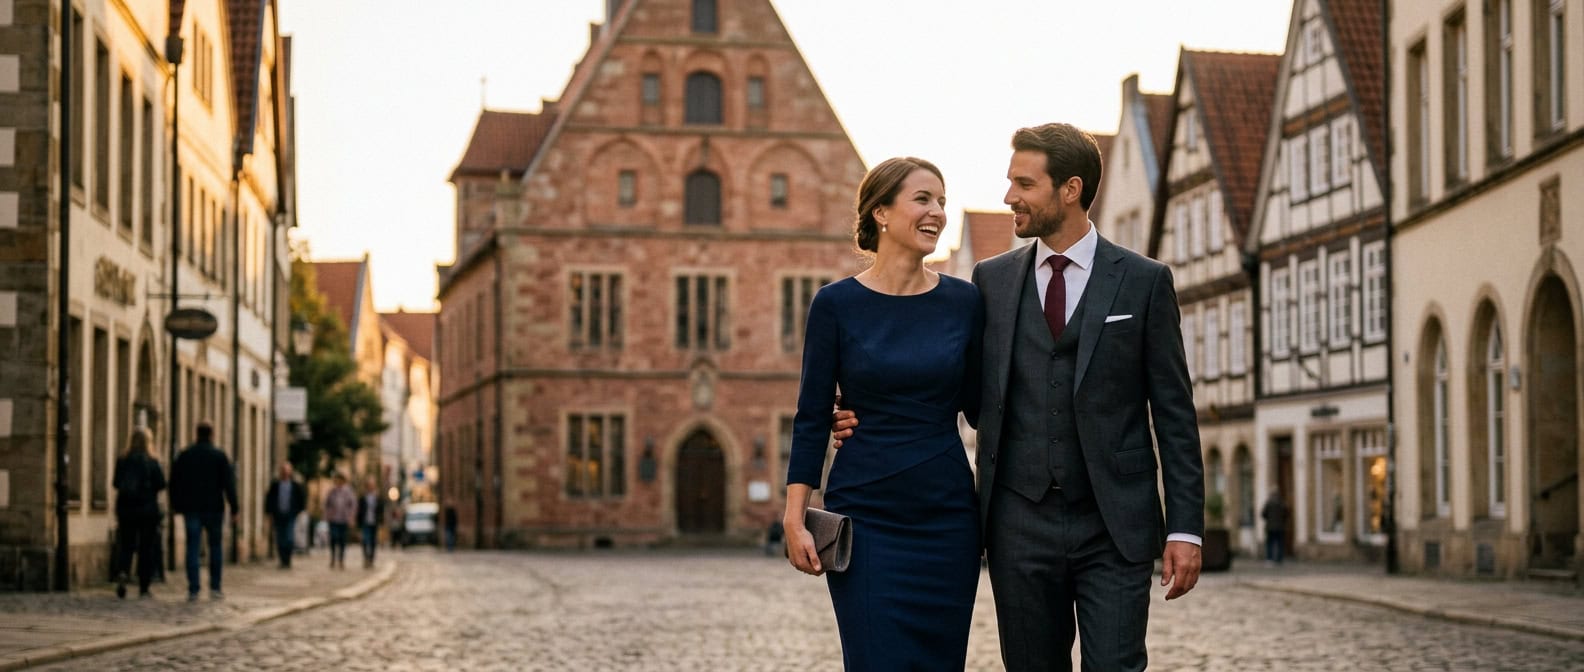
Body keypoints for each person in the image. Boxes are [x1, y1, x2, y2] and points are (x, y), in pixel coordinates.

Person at [833, 124, 1204, 672]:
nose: (1009, 197)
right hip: (1017, 526)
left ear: (1070, 189)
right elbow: (958, 388)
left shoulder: (1144, 282)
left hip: (1114, 524)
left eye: (1024, 184)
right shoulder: (991, 281)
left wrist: (1185, 528)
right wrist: (870, 410)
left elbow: (1175, 414)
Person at [783, 157, 983, 671]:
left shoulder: (965, 303)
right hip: (866, 517)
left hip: (947, 519)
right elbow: (809, 416)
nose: (937, 211)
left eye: (941, 199)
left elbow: (987, 407)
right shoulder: (835, 304)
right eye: (922, 199)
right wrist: (793, 516)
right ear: (881, 213)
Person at [169, 422, 239, 602]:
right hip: (214, 508)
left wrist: (176, 505)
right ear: (212, 434)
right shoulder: (219, 456)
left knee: (192, 546)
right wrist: (234, 508)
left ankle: (194, 588)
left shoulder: (185, 455)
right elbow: (229, 484)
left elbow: (174, 482)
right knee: (215, 547)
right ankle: (215, 587)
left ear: (196, 434)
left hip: (191, 508)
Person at [112, 427, 165, 599]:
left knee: (127, 544)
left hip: (126, 509)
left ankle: (123, 572)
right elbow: (162, 484)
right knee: (146, 548)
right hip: (147, 510)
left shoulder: (123, 460)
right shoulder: (152, 461)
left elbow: (116, 483)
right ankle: (144, 587)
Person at [263, 461, 307, 568]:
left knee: (289, 537)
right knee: (280, 538)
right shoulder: (275, 485)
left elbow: (301, 500)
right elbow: (269, 500)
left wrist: (298, 511)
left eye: (287, 470)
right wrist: (269, 513)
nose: (285, 472)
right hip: (278, 515)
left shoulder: (295, 486)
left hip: (290, 515)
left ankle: (287, 559)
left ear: (290, 472)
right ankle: (282, 560)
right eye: (283, 470)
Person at [323, 472, 356, 569]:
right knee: (333, 538)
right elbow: (327, 503)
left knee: (342, 540)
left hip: (344, 519)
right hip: (333, 519)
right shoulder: (332, 491)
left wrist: (351, 517)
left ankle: (341, 560)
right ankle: (333, 558)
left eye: (339, 480)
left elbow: (353, 505)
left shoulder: (348, 491)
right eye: (336, 480)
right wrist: (327, 514)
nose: (337, 482)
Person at [356, 475, 385, 568]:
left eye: (372, 485)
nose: (370, 487)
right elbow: (359, 511)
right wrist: (358, 524)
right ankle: (365, 558)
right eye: (369, 485)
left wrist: (381, 522)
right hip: (365, 522)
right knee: (365, 540)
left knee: (373, 541)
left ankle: (371, 559)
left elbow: (381, 510)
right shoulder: (362, 497)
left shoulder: (377, 497)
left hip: (374, 522)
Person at [1261, 488, 1289, 565]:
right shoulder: (1282, 503)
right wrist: (1283, 521)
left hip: (1270, 527)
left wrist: (1268, 519)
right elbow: (1286, 513)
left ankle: (1269, 559)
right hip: (1280, 527)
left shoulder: (1268, 503)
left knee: (1270, 543)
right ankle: (1279, 559)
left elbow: (1263, 514)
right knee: (1280, 543)